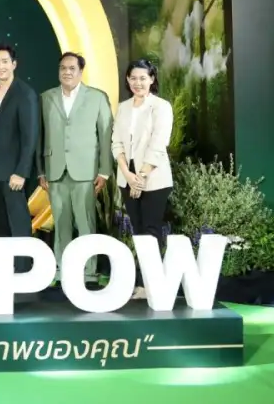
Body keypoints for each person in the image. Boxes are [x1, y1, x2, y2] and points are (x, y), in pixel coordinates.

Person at [37, 52, 113, 289]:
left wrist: (104, 171)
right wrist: (40, 171)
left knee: (86, 223)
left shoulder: (97, 97)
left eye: (72, 68)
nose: (67, 72)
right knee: (61, 223)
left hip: (86, 171)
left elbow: (106, 135)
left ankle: (89, 273)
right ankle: (62, 272)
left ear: (81, 71)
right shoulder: (46, 98)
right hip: (55, 170)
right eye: (63, 68)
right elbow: (39, 137)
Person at [110, 59, 174, 300]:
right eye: (134, 78)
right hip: (127, 177)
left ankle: (152, 286)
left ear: (152, 79)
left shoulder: (161, 107)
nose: (138, 82)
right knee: (137, 231)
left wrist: (142, 177)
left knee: (150, 230)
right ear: (127, 80)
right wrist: (128, 175)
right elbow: (116, 143)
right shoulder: (123, 107)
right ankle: (142, 283)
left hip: (154, 178)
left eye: (143, 78)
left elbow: (159, 144)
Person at [0, 43, 39, 274]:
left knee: (18, 222)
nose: (1, 66)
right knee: (0, 222)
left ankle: (24, 270)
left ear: (14, 64)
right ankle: (4, 270)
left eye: (5, 61)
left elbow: (30, 136)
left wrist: (22, 171)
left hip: (15, 171)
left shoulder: (25, 93)